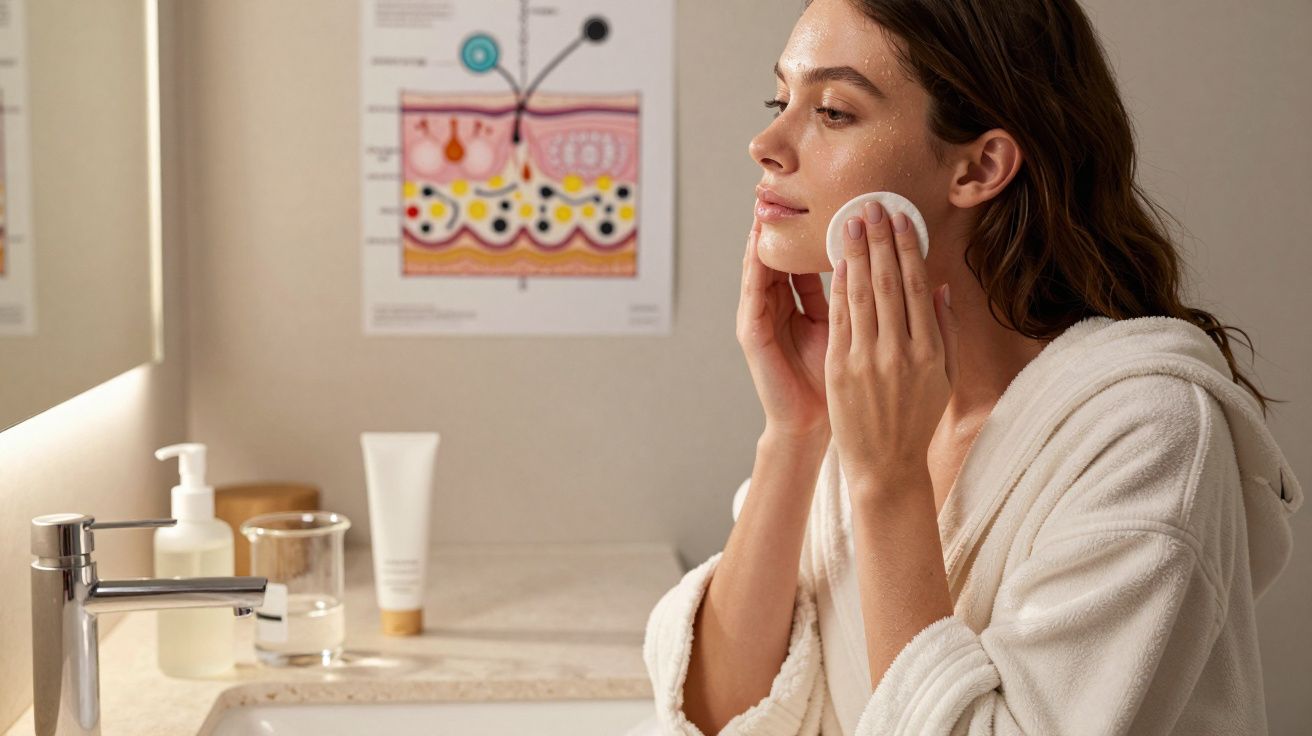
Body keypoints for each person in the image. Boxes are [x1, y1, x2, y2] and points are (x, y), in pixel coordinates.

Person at [641, 0, 1302, 734]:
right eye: (780, 99)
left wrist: (890, 483)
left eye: (830, 111)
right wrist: (796, 434)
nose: (765, 143)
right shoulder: (875, 397)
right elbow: (714, 713)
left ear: (980, 165)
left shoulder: (1151, 436)